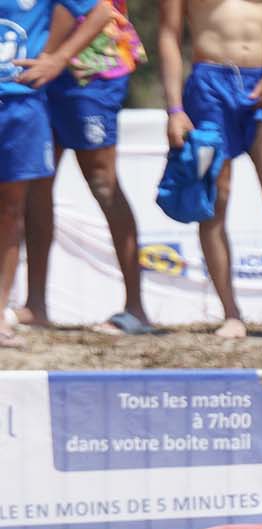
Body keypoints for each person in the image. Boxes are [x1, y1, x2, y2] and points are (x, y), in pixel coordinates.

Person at [158, 0, 262, 342]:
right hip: (209, 85)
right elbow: (169, 34)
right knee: (217, 199)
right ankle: (230, 313)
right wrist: (174, 108)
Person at [18, 0, 153, 337]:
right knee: (37, 182)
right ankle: (35, 307)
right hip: (38, 67)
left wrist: (56, 58)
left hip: (90, 69)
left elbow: (98, 10)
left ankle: (136, 309)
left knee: (102, 181)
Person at [0, 0, 113, 350]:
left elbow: (101, 11)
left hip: (20, 104)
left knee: (10, 212)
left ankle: (0, 313)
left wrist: (59, 59)